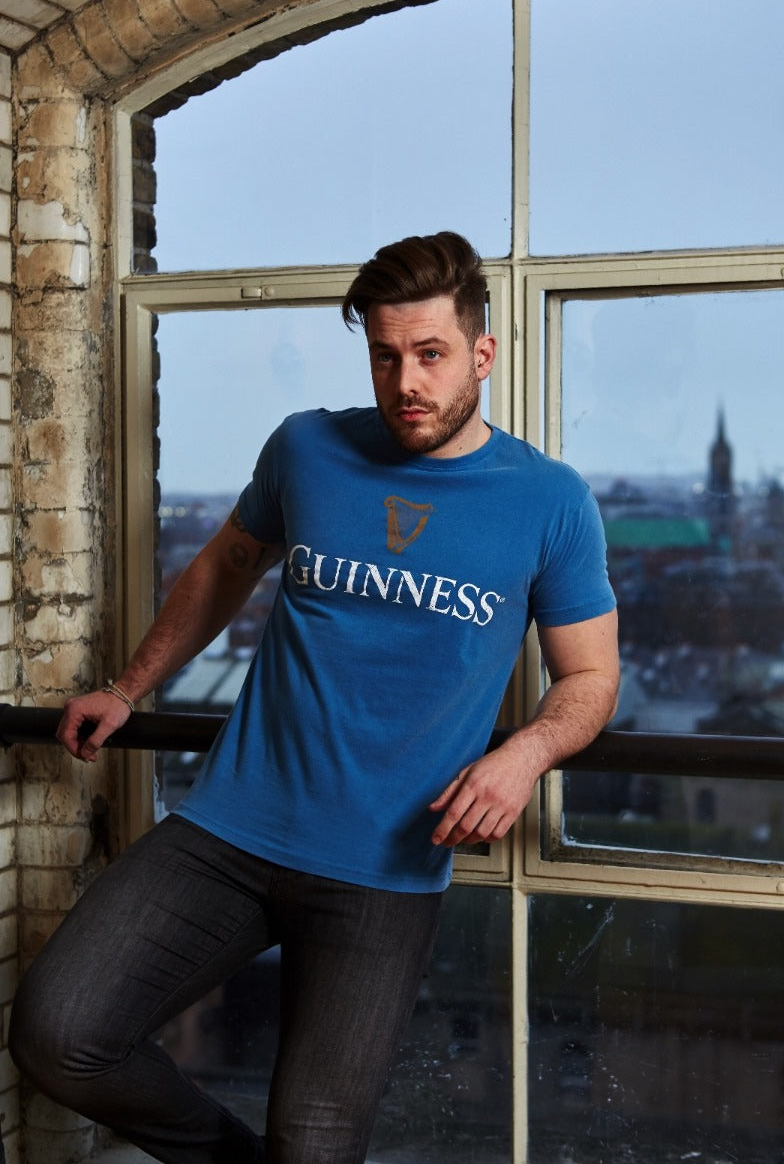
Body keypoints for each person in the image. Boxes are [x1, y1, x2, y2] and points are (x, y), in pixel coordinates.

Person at [9, 231, 619, 1164]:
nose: (406, 381)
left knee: (316, 1146)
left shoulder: (551, 502)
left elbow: (591, 677)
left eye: (430, 354)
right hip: (228, 829)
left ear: (482, 354)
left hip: (384, 869)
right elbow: (225, 566)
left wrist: (522, 754)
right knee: (59, 1033)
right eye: (385, 356)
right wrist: (129, 687)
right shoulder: (306, 447)